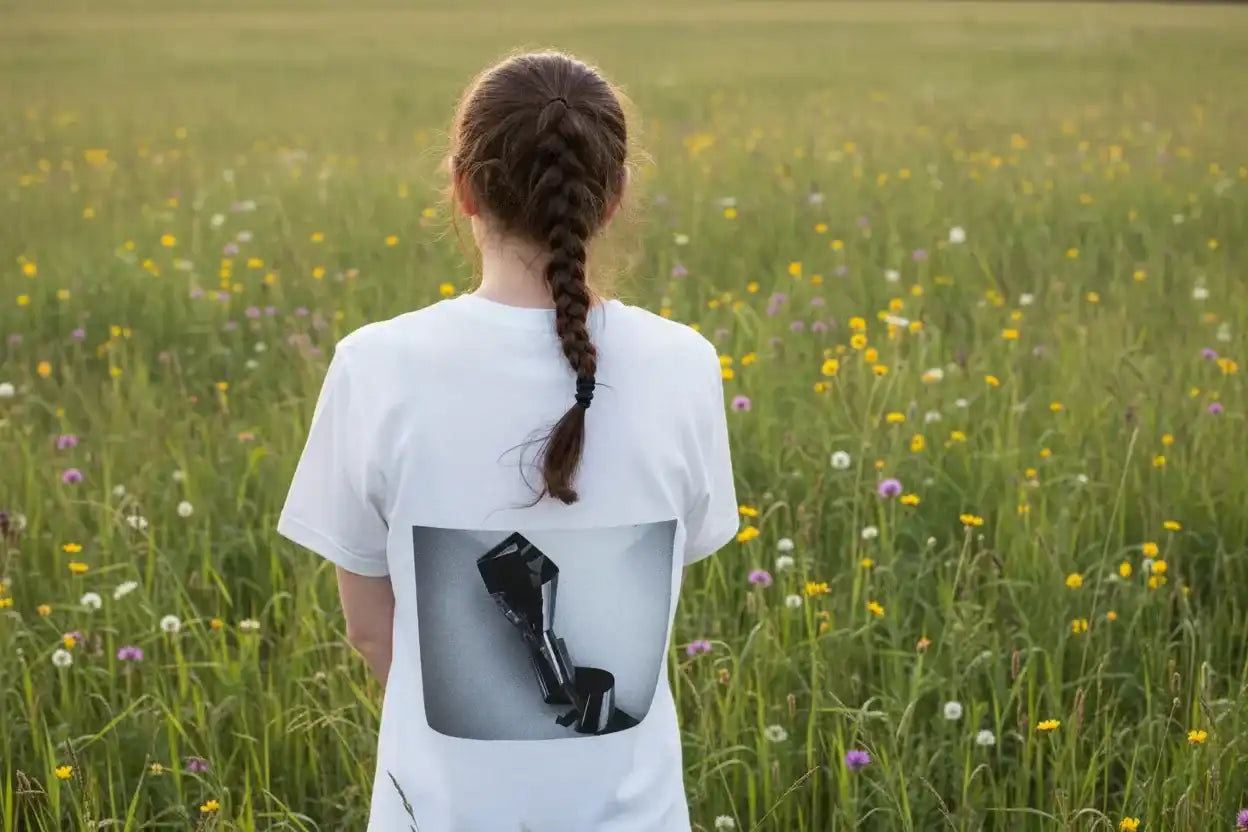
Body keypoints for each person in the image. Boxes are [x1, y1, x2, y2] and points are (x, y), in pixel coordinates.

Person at [278, 51, 738, 832]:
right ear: (614, 196)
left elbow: (369, 629)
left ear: (462, 187)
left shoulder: (375, 365)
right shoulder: (684, 363)